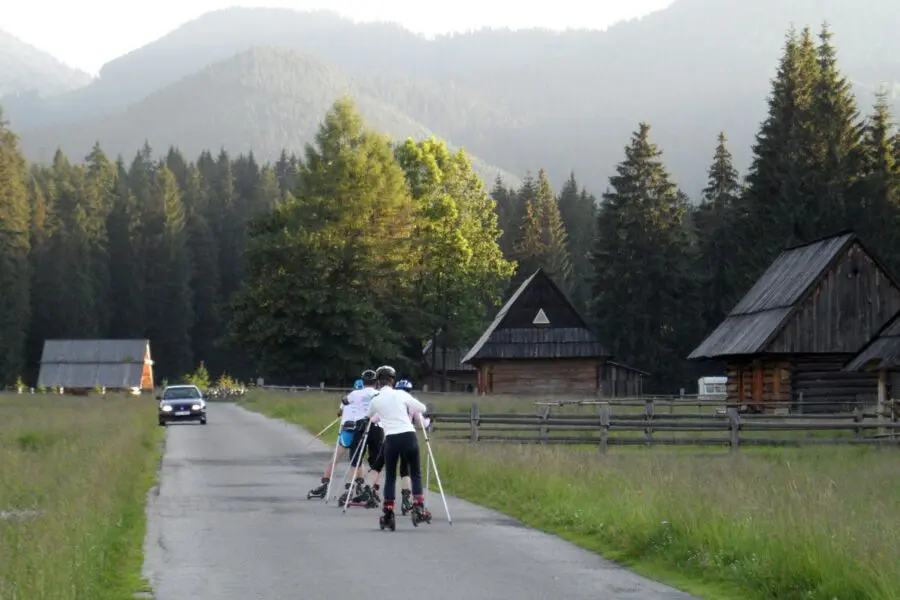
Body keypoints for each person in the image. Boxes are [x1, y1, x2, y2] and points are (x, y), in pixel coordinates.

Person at [367, 365, 432, 528]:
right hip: (409, 436)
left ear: (377, 382)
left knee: (390, 476)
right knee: (415, 473)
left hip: (391, 439)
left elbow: (368, 416)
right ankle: (418, 505)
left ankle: (388, 510)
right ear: (392, 380)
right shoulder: (401, 394)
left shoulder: (375, 399)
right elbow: (422, 408)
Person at [306, 379, 362, 499]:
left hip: (346, 430)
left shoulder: (349, 396)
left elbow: (340, 412)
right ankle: (359, 485)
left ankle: (324, 484)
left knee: (335, 459)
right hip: (359, 430)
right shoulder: (368, 398)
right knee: (357, 460)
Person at [338, 369, 383, 508]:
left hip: (360, 426)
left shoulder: (355, 393)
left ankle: (349, 489)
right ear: (376, 382)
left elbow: (345, 401)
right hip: (376, 427)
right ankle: (373, 488)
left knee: (356, 458)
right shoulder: (379, 393)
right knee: (376, 460)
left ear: (363, 381)